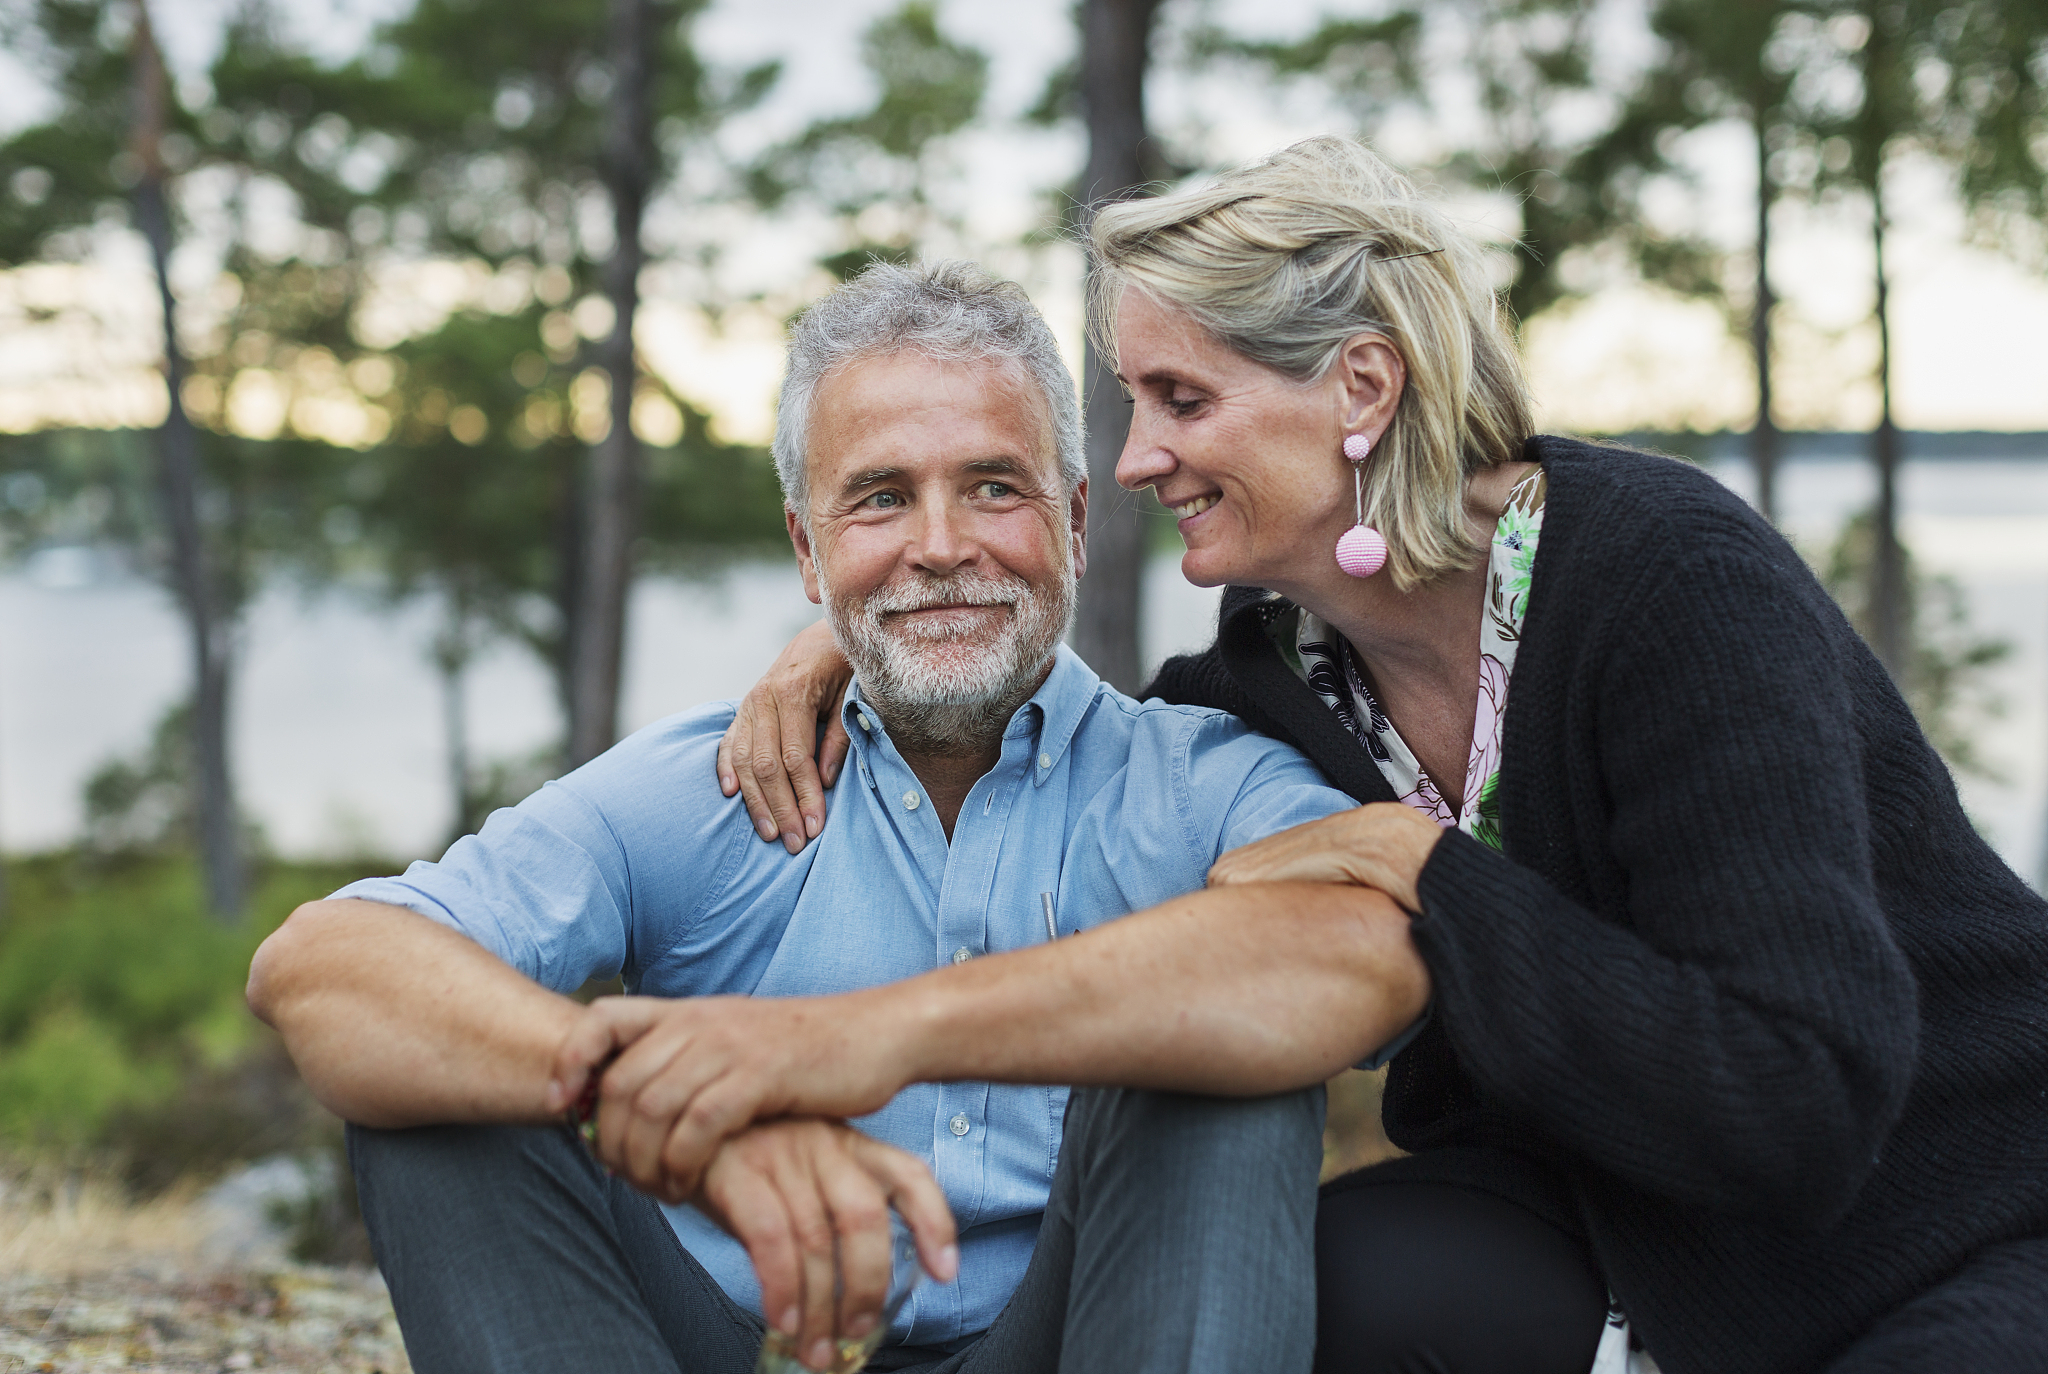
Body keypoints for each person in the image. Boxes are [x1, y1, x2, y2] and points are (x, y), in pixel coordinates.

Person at [711, 138, 2048, 1374]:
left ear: (1361, 385)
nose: (1135, 459)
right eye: (1133, 402)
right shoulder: (1284, 666)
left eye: (1181, 399)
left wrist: (1427, 866)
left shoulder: (1670, 582)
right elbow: (1092, 738)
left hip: (1960, 1209)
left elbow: (1798, 1094)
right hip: (1631, 1222)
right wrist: (857, 640)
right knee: (1317, 1286)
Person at [246, 258, 1429, 1374]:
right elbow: (322, 964)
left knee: (1214, 1053)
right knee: (436, 1093)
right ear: (808, 553)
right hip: (724, 1341)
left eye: (991, 487)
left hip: (1067, 1342)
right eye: (878, 499)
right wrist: (666, 1110)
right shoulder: (707, 787)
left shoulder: (1208, 781)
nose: (938, 546)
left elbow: (1363, 956)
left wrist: (852, 1042)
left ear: (1073, 523)